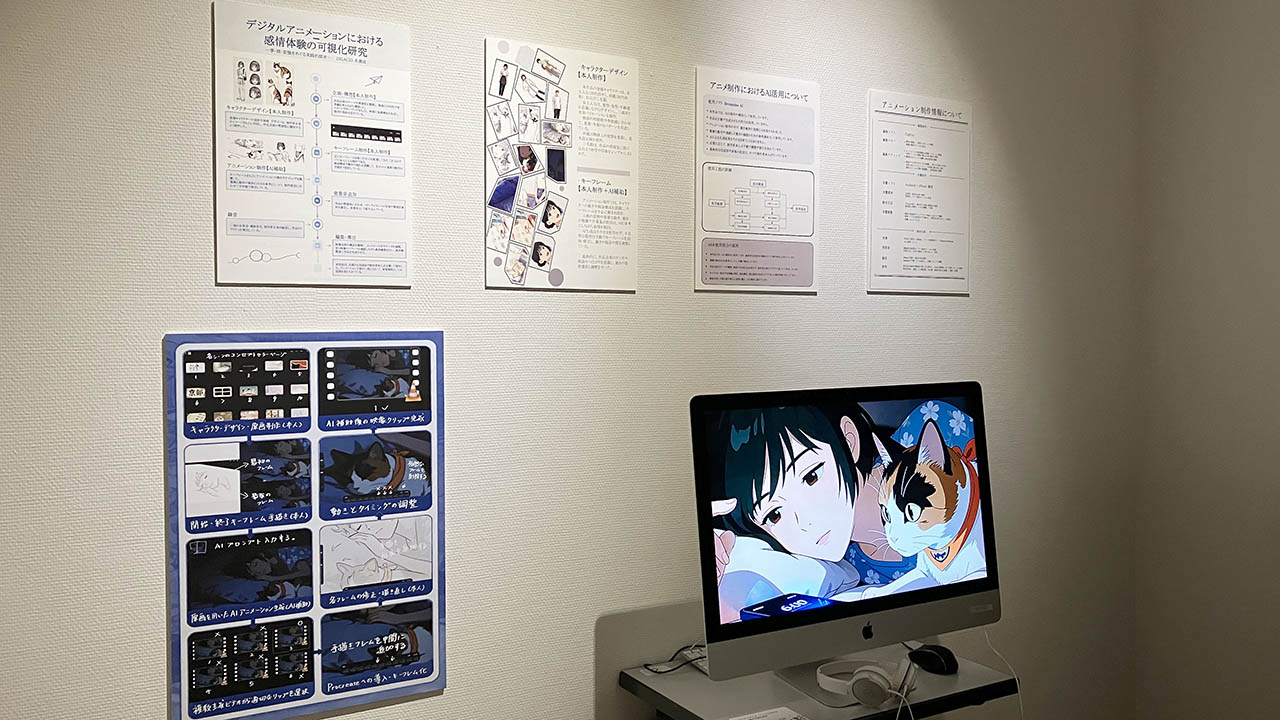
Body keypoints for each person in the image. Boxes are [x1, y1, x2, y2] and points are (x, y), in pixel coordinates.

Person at [709, 404, 907, 622]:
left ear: (848, 439)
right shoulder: (850, 563)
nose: (805, 523)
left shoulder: (925, 429)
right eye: (774, 515)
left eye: (811, 476)